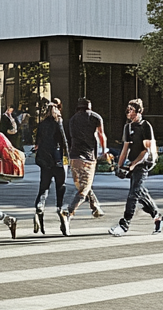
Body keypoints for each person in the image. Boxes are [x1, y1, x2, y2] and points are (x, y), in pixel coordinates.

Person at [109, 99, 163, 236]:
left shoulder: (145, 126)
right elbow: (125, 149)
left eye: (131, 109)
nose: (128, 112)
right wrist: (119, 166)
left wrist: (133, 164)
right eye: (127, 109)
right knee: (140, 192)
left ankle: (124, 225)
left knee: (133, 194)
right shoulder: (128, 127)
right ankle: (158, 217)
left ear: (138, 111)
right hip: (134, 162)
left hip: (144, 162)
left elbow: (146, 151)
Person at [62, 97, 109, 232]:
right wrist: (104, 150)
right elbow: (101, 135)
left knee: (84, 185)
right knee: (83, 190)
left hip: (74, 157)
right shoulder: (95, 117)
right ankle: (68, 213)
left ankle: (95, 207)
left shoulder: (72, 120)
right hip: (88, 158)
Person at [32, 105, 68, 234]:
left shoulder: (42, 124)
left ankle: (40, 207)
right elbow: (63, 139)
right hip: (56, 159)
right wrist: (67, 155)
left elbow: (37, 142)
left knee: (44, 187)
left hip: (44, 160)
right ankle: (60, 208)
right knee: (60, 185)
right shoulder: (58, 122)